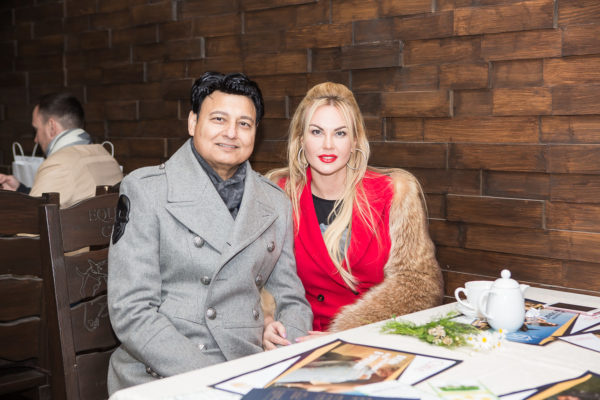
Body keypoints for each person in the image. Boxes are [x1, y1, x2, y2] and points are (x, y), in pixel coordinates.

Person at [107, 72, 313, 393]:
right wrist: (214, 380)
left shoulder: (274, 201)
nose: (231, 133)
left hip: (248, 365)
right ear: (193, 123)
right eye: (219, 119)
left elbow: (292, 298)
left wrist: (287, 346)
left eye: (244, 124)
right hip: (166, 372)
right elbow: (132, 312)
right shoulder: (147, 190)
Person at [263, 82, 443, 348]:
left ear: (355, 140)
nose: (327, 145)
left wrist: (352, 333)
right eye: (316, 131)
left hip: (371, 342)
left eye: (340, 133)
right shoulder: (278, 192)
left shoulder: (394, 193)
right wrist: (265, 322)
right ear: (301, 139)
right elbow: (250, 276)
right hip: (294, 340)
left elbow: (420, 286)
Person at [0, 93, 122, 207]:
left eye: (37, 130)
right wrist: (20, 190)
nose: (36, 139)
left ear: (51, 127)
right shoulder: (107, 157)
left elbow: (32, 217)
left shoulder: (58, 165)